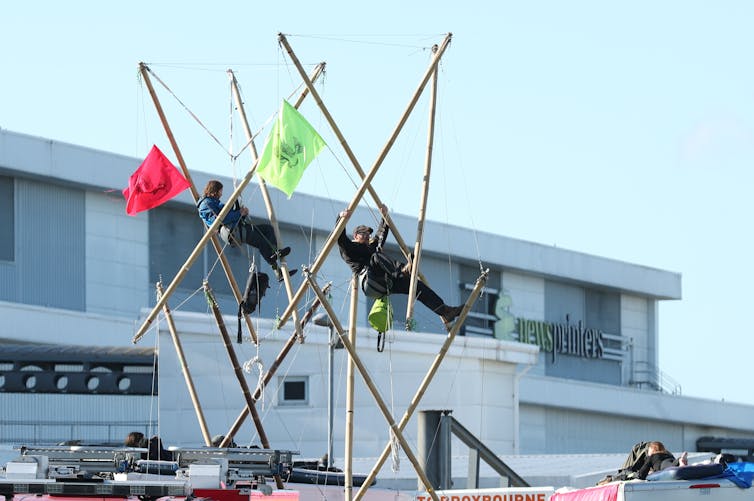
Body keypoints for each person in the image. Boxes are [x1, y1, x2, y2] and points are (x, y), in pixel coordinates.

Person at [336, 205, 463, 326]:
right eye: (363, 234)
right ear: (355, 236)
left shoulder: (369, 247)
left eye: (368, 234)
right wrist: (341, 218)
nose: (367, 236)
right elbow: (340, 238)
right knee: (376, 256)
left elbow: (380, 236)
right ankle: (402, 270)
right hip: (370, 282)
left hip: (384, 282)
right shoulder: (349, 249)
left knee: (416, 286)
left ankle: (445, 311)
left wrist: (384, 217)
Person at [197, 180, 295, 282]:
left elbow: (226, 214)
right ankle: (275, 259)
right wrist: (240, 213)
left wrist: (240, 212)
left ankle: (277, 268)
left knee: (267, 230)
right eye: (220, 191)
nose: (221, 194)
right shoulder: (206, 204)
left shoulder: (212, 202)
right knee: (261, 242)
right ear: (215, 191)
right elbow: (220, 220)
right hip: (233, 231)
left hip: (236, 228)